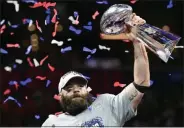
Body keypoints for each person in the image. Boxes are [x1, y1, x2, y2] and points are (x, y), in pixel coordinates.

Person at [42, 13, 150, 127]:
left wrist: (137, 41)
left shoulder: (107, 105)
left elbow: (141, 82)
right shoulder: (53, 123)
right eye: (69, 89)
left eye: (80, 87)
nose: (76, 90)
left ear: (88, 90)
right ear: (60, 96)